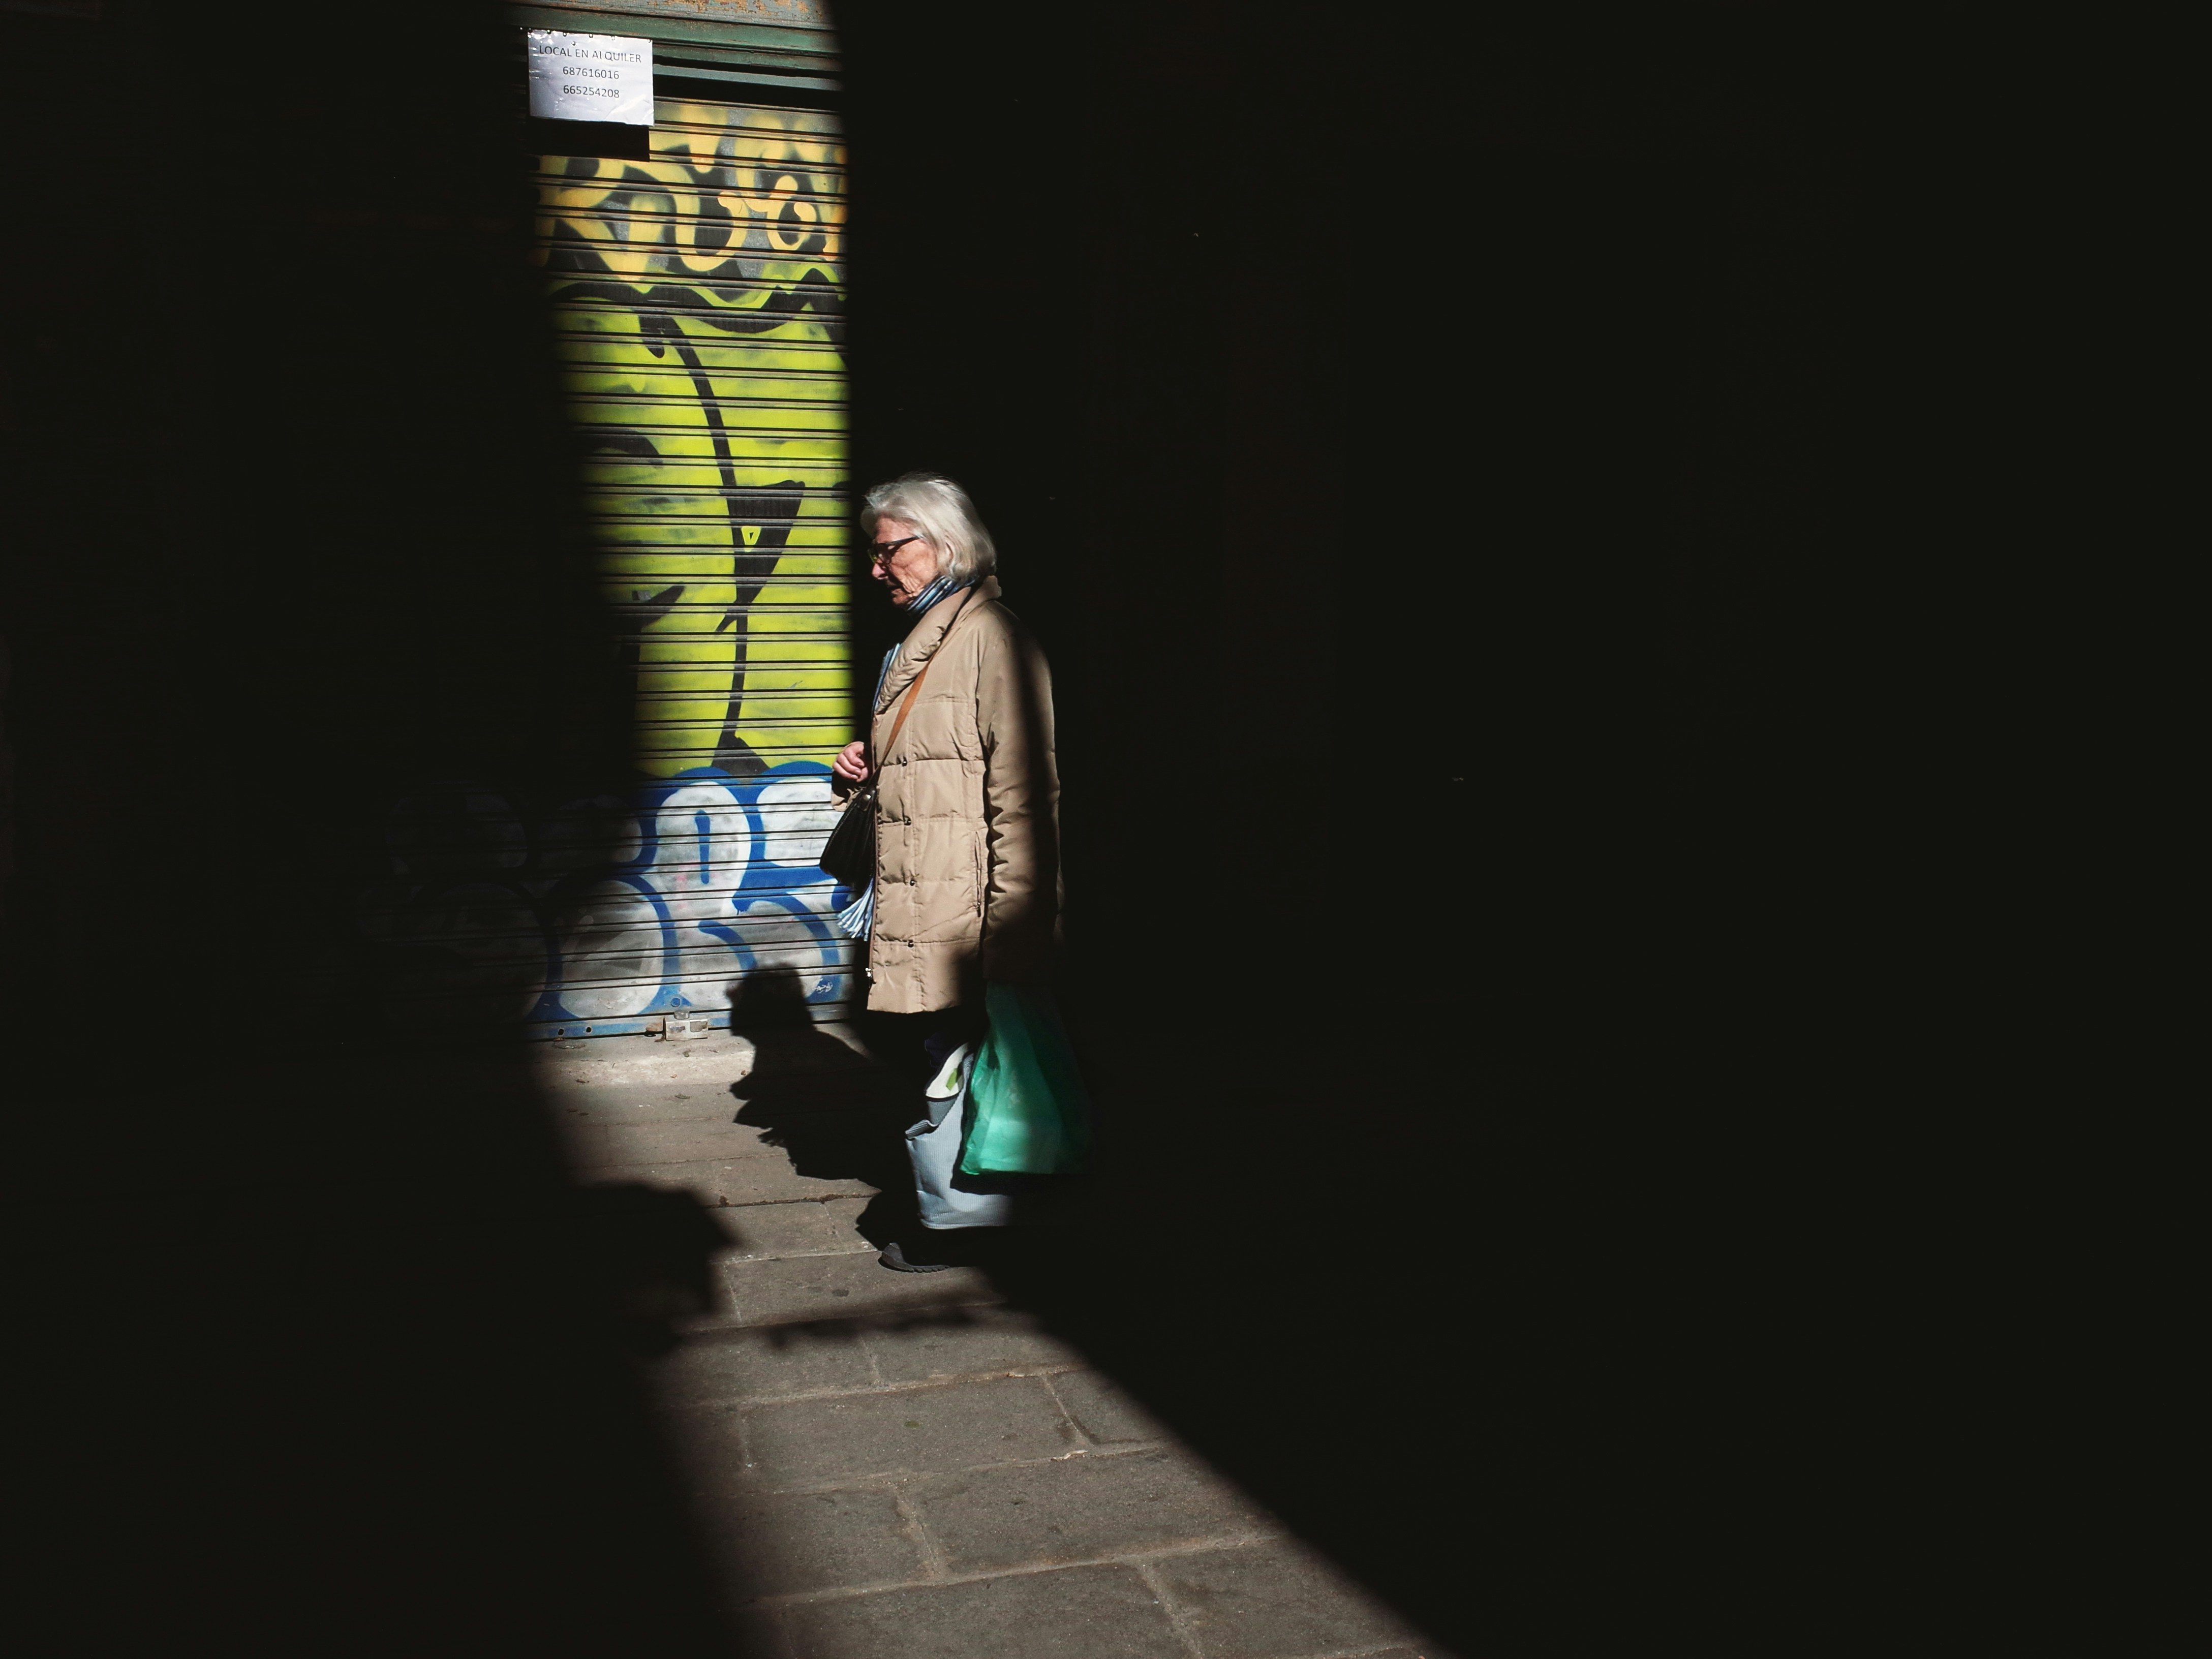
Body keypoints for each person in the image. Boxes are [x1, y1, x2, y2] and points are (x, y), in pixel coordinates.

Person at [830, 473, 1062, 1271]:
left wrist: (1021, 919)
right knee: (947, 1057)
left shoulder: (989, 635)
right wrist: (865, 765)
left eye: (889, 548)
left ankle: (972, 1219)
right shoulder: (922, 640)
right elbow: (935, 762)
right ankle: (978, 1209)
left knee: (960, 1060)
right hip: (917, 888)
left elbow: (1024, 791)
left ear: (944, 544)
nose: (876, 566)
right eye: (875, 550)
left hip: (960, 901)